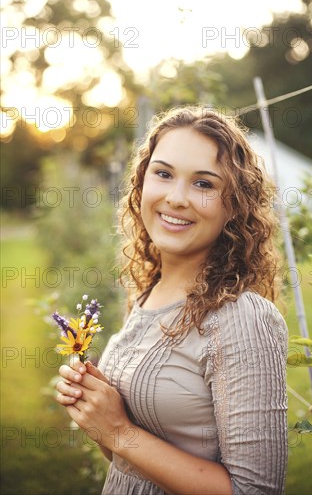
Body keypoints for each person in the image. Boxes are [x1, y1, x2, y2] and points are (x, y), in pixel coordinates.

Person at [56, 106, 288, 495]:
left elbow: (255, 490)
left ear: (234, 205)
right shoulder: (148, 293)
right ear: (142, 184)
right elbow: (127, 463)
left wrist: (118, 431)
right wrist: (96, 413)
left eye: (204, 184)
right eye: (163, 174)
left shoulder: (242, 318)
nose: (176, 198)